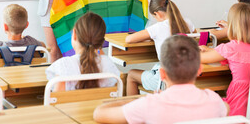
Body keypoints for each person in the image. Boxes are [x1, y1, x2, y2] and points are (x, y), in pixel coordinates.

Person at [93, 35, 229, 124]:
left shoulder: (148, 105)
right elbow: (226, 108)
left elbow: (99, 113)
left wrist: (134, 100)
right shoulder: (214, 100)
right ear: (199, 69)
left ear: (162, 74)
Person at [200, 2, 250, 124]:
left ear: (232, 26)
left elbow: (201, 58)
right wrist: (212, 51)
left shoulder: (231, 48)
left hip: (240, 111)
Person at [125, 0, 195, 95]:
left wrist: (150, 37)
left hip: (165, 79)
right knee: (155, 68)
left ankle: (133, 109)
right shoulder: (187, 23)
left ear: (157, 14)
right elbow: (195, 35)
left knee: (131, 75)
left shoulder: (157, 28)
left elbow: (129, 39)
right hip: (187, 74)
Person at [45, 12, 120, 91]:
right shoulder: (109, 65)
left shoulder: (63, 66)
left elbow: (57, 100)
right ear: (101, 41)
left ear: (74, 34)